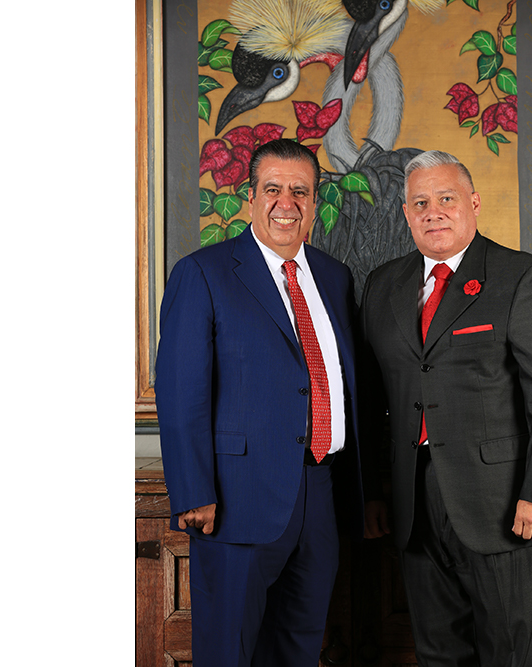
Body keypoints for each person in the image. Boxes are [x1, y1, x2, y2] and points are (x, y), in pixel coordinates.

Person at [359, 150, 532, 666]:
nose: (433, 212)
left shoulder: (522, 277)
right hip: (414, 506)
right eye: (420, 203)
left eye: (446, 198)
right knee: (438, 654)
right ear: (406, 213)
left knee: (512, 655)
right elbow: (369, 400)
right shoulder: (383, 285)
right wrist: (373, 493)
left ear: (474, 203)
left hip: (507, 505)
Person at [154, 139, 365, 667]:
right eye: (273, 189)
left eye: (300, 191)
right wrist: (193, 492)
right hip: (235, 500)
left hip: (322, 495)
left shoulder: (334, 277)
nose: (285, 203)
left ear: (314, 202)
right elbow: (181, 393)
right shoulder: (202, 272)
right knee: (229, 653)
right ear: (250, 197)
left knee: (299, 648)